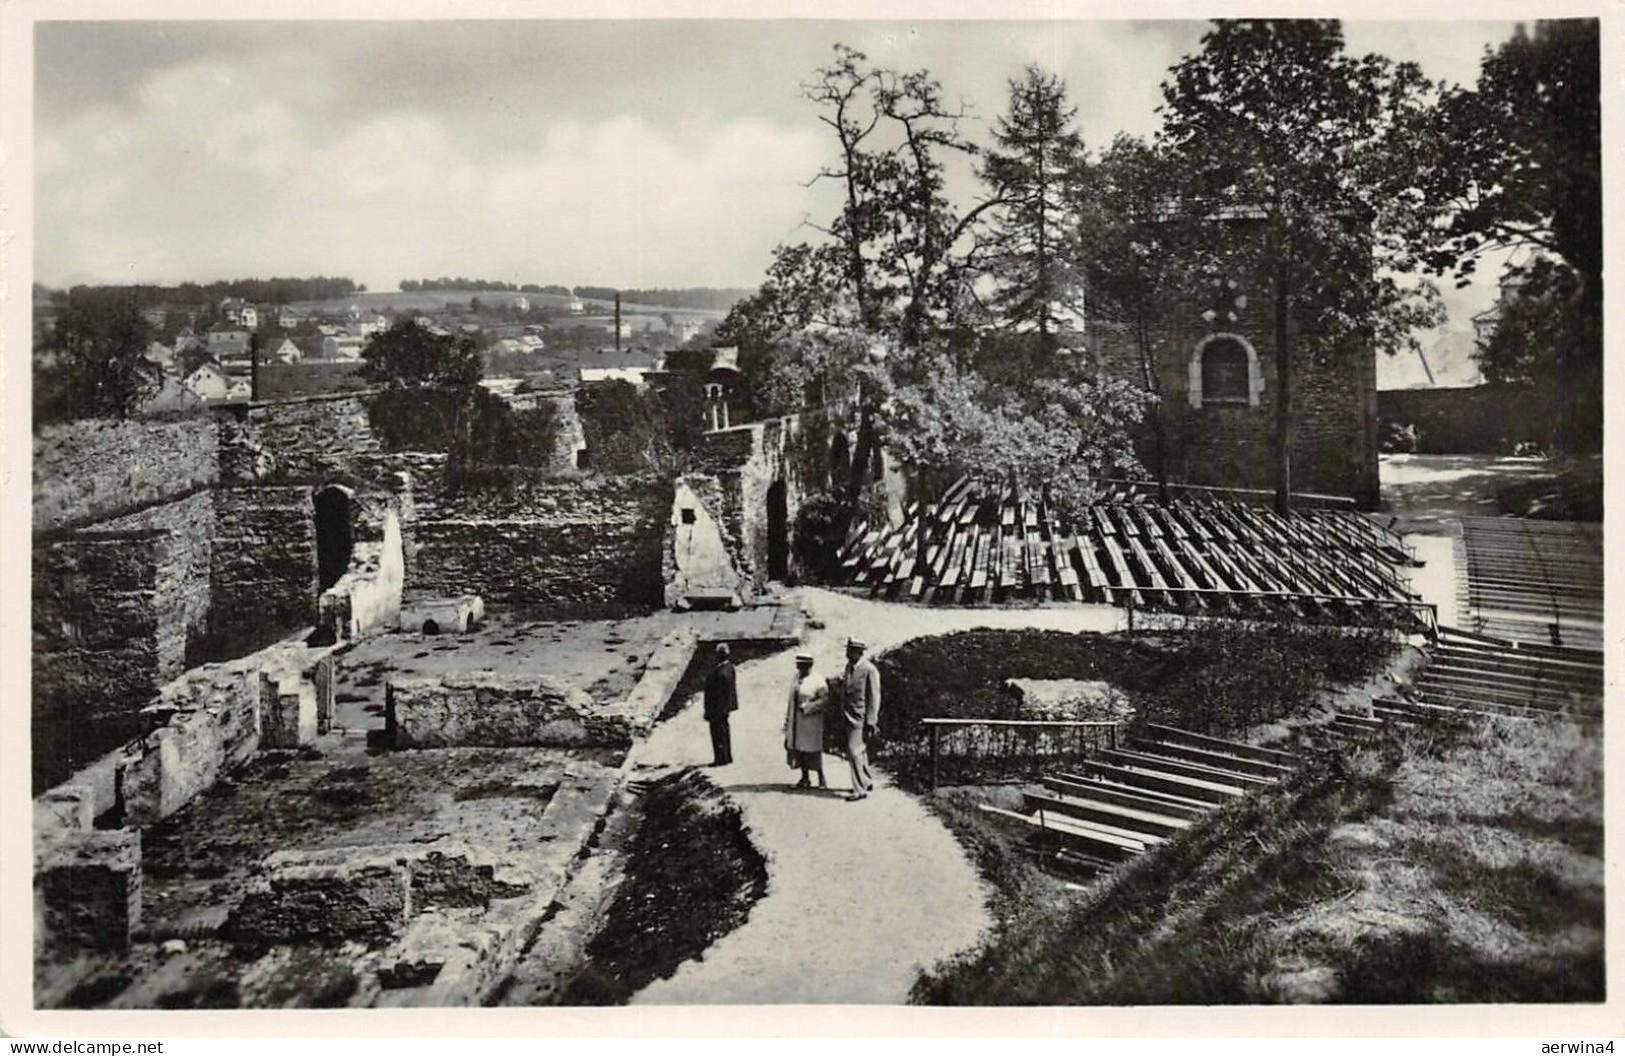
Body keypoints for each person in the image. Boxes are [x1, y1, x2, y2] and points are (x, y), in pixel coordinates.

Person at [840, 638, 882, 801]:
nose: (847, 653)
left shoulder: (869, 670)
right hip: (848, 715)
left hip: (861, 717)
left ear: (859, 652)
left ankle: (859, 790)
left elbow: (874, 697)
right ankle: (866, 781)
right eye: (848, 650)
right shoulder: (848, 667)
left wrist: (871, 721)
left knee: (853, 752)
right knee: (860, 750)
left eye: (850, 650)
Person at [783, 652, 828, 790]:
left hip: (811, 722)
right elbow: (791, 700)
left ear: (809, 665)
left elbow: (824, 700)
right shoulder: (796, 677)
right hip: (797, 722)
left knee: (812, 750)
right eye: (798, 665)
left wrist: (809, 707)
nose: (799, 669)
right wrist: (787, 719)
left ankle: (821, 778)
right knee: (799, 749)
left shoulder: (818, 680)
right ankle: (805, 778)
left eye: (802, 666)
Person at [702, 642, 738, 766]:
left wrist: (711, 710)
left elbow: (717, 692)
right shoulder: (728, 668)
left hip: (717, 708)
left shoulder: (720, 672)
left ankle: (721, 758)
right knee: (723, 732)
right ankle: (726, 756)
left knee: (718, 734)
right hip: (723, 708)